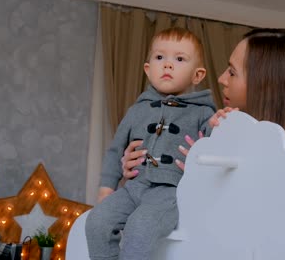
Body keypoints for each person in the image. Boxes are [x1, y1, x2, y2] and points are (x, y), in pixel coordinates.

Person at [122, 28, 285, 259]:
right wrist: (140, 173)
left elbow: (213, 233)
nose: (220, 79)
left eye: (232, 72)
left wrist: (199, 187)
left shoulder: (253, 154)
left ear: (266, 85)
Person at [85, 27, 216, 260]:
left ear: (198, 75)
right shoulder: (138, 110)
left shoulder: (204, 113)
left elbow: (215, 148)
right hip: (133, 188)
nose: (167, 64)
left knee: (140, 227)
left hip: (169, 193)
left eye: (179, 58)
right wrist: (106, 189)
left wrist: (218, 126)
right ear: (148, 69)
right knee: (96, 221)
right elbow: (116, 150)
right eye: (159, 57)